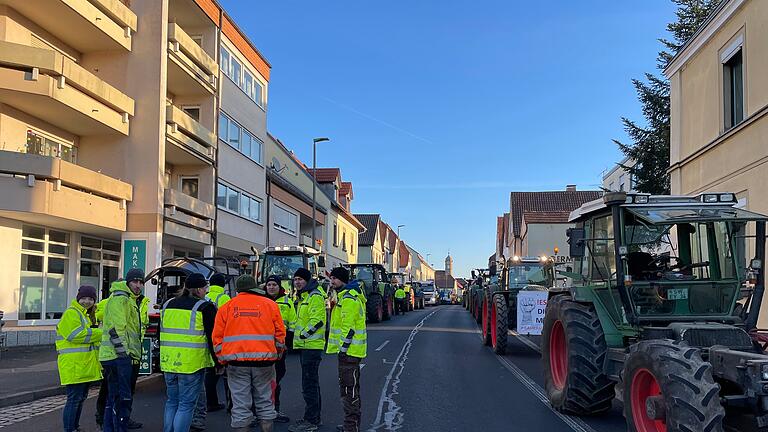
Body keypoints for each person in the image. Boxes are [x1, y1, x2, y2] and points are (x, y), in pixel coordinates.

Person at [213, 274, 285, 432]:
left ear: (238, 290)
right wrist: (278, 353)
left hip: (236, 363)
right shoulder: (270, 305)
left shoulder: (227, 307)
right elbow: (280, 334)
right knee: (265, 402)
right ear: (254, 288)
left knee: (240, 405)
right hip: (265, 362)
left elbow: (217, 338)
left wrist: (222, 360)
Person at [160, 273, 217, 432]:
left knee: (172, 401)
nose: (206, 291)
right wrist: (218, 362)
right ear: (199, 289)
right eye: (205, 288)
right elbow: (213, 338)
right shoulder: (204, 307)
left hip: (168, 361)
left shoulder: (167, 304)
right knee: (186, 405)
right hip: (192, 364)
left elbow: (161, 332)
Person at [96, 270, 147, 431]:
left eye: (141, 282)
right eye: (135, 282)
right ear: (128, 282)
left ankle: (109, 428)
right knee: (122, 399)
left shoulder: (125, 298)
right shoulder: (121, 299)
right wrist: (124, 355)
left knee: (114, 399)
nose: (138, 285)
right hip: (118, 357)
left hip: (114, 355)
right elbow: (117, 329)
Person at [57, 285, 103, 432]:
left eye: (91, 299)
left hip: (81, 366)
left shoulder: (83, 314)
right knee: (74, 400)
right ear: (78, 298)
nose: (87, 301)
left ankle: (74, 428)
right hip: (74, 366)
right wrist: (99, 333)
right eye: (84, 298)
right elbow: (76, 335)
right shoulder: (72, 313)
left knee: (79, 399)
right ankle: (70, 429)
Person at [326, 268, 367, 432]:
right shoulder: (343, 296)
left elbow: (348, 329)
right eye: (331, 278)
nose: (331, 282)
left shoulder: (349, 299)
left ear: (342, 280)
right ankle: (350, 425)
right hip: (349, 353)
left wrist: (342, 350)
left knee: (349, 392)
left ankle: (351, 427)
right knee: (349, 390)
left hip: (349, 354)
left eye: (334, 279)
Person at [288, 268, 327, 432]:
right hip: (306, 347)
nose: (297, 282)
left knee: (309, 384)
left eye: (300, 279)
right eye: (295, 279)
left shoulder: (314, 296)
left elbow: (317, 321)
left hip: (311, 346)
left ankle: (311, 420)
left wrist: (302, 336)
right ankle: (313, 418)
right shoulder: (304, 296)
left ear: (307, 280)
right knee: (311, 383)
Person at [264, 275, 296, 423]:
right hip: (262, 348)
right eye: (269, 284)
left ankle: (274, 410)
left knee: (277, 378)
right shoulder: (261, 301)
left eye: (274, 285)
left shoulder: (287, 302)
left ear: (279, 287)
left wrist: (286, 344)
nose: (271, 287)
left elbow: (292, 325)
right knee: (262, 381)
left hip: (279, 348)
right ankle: (262, 411)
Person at [204, 273, 230, 413]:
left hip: (205, 337)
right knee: (225, 374)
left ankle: (210, 402)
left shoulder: (205, 296)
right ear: (223, 284)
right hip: (221, 339)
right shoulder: (224, 298)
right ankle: (230, 405)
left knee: (210, 372)